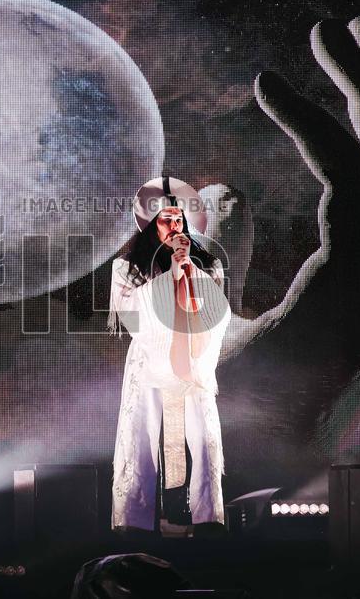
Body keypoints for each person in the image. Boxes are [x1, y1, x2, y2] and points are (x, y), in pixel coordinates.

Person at [107, 176, 231, 533]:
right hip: (150, 361)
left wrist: (189, 274)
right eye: (166, 220)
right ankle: (135, 520)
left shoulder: (209, 267)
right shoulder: (126, 269)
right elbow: (132, 319)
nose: (175, 227)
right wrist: (169, 278)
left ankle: (208, 519)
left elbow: (214, 316)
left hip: (191, 361)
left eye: (179, 220)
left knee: (204, 439)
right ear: (150, 226)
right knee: (140, 437)